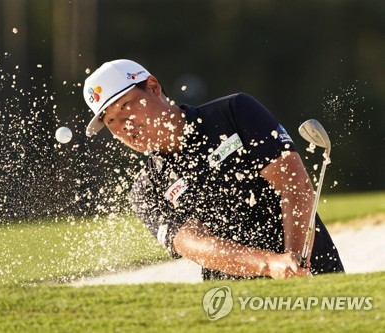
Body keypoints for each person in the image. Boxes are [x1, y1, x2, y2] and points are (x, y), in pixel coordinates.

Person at [82, 59, 344, 280]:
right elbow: (195, 244)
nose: (124, 126)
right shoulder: (145, 190)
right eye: (111, 120)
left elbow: (293, 185)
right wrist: (269, 264)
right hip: (233, 302)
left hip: (313, 271)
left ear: (153, 87)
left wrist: (294, 260)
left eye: (126, 106)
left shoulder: (233, 113)